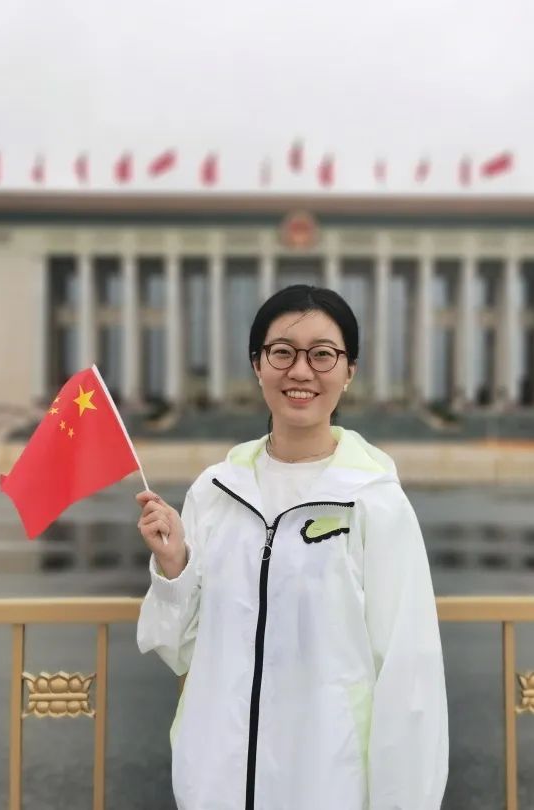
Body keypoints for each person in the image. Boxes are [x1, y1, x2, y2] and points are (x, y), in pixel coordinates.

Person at [136, 285, 448, 810]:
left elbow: (409, 676)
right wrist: (175, 570)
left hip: (329, 785)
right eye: (282, 352)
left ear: (349, 371)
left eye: (323, 354)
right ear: (257, 364)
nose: (301, 371)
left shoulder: (373, 502)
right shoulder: (214, 492)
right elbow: (176, 649)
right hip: (215, 784)